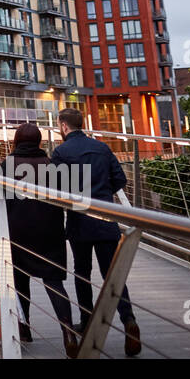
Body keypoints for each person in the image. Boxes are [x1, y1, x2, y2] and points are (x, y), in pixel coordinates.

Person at [50, 107, 142, 356]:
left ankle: (87, 320)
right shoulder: (101, 147)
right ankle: (129, 320)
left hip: (79, 222)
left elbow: (54, 187)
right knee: (112, 274)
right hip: (106, 219)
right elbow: (120, 180)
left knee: (82, 272)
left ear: (63, 126)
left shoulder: (61, 152)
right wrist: (101, 192)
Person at [0, 123, 79, 357]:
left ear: (17, 141)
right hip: (49, 231)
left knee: (20, 282)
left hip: (17, 232)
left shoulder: (7, 166)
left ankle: (24, 328)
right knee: (54, 282)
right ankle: (68, 330)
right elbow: (67, 200)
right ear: (39, 142)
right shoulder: (52, 165)